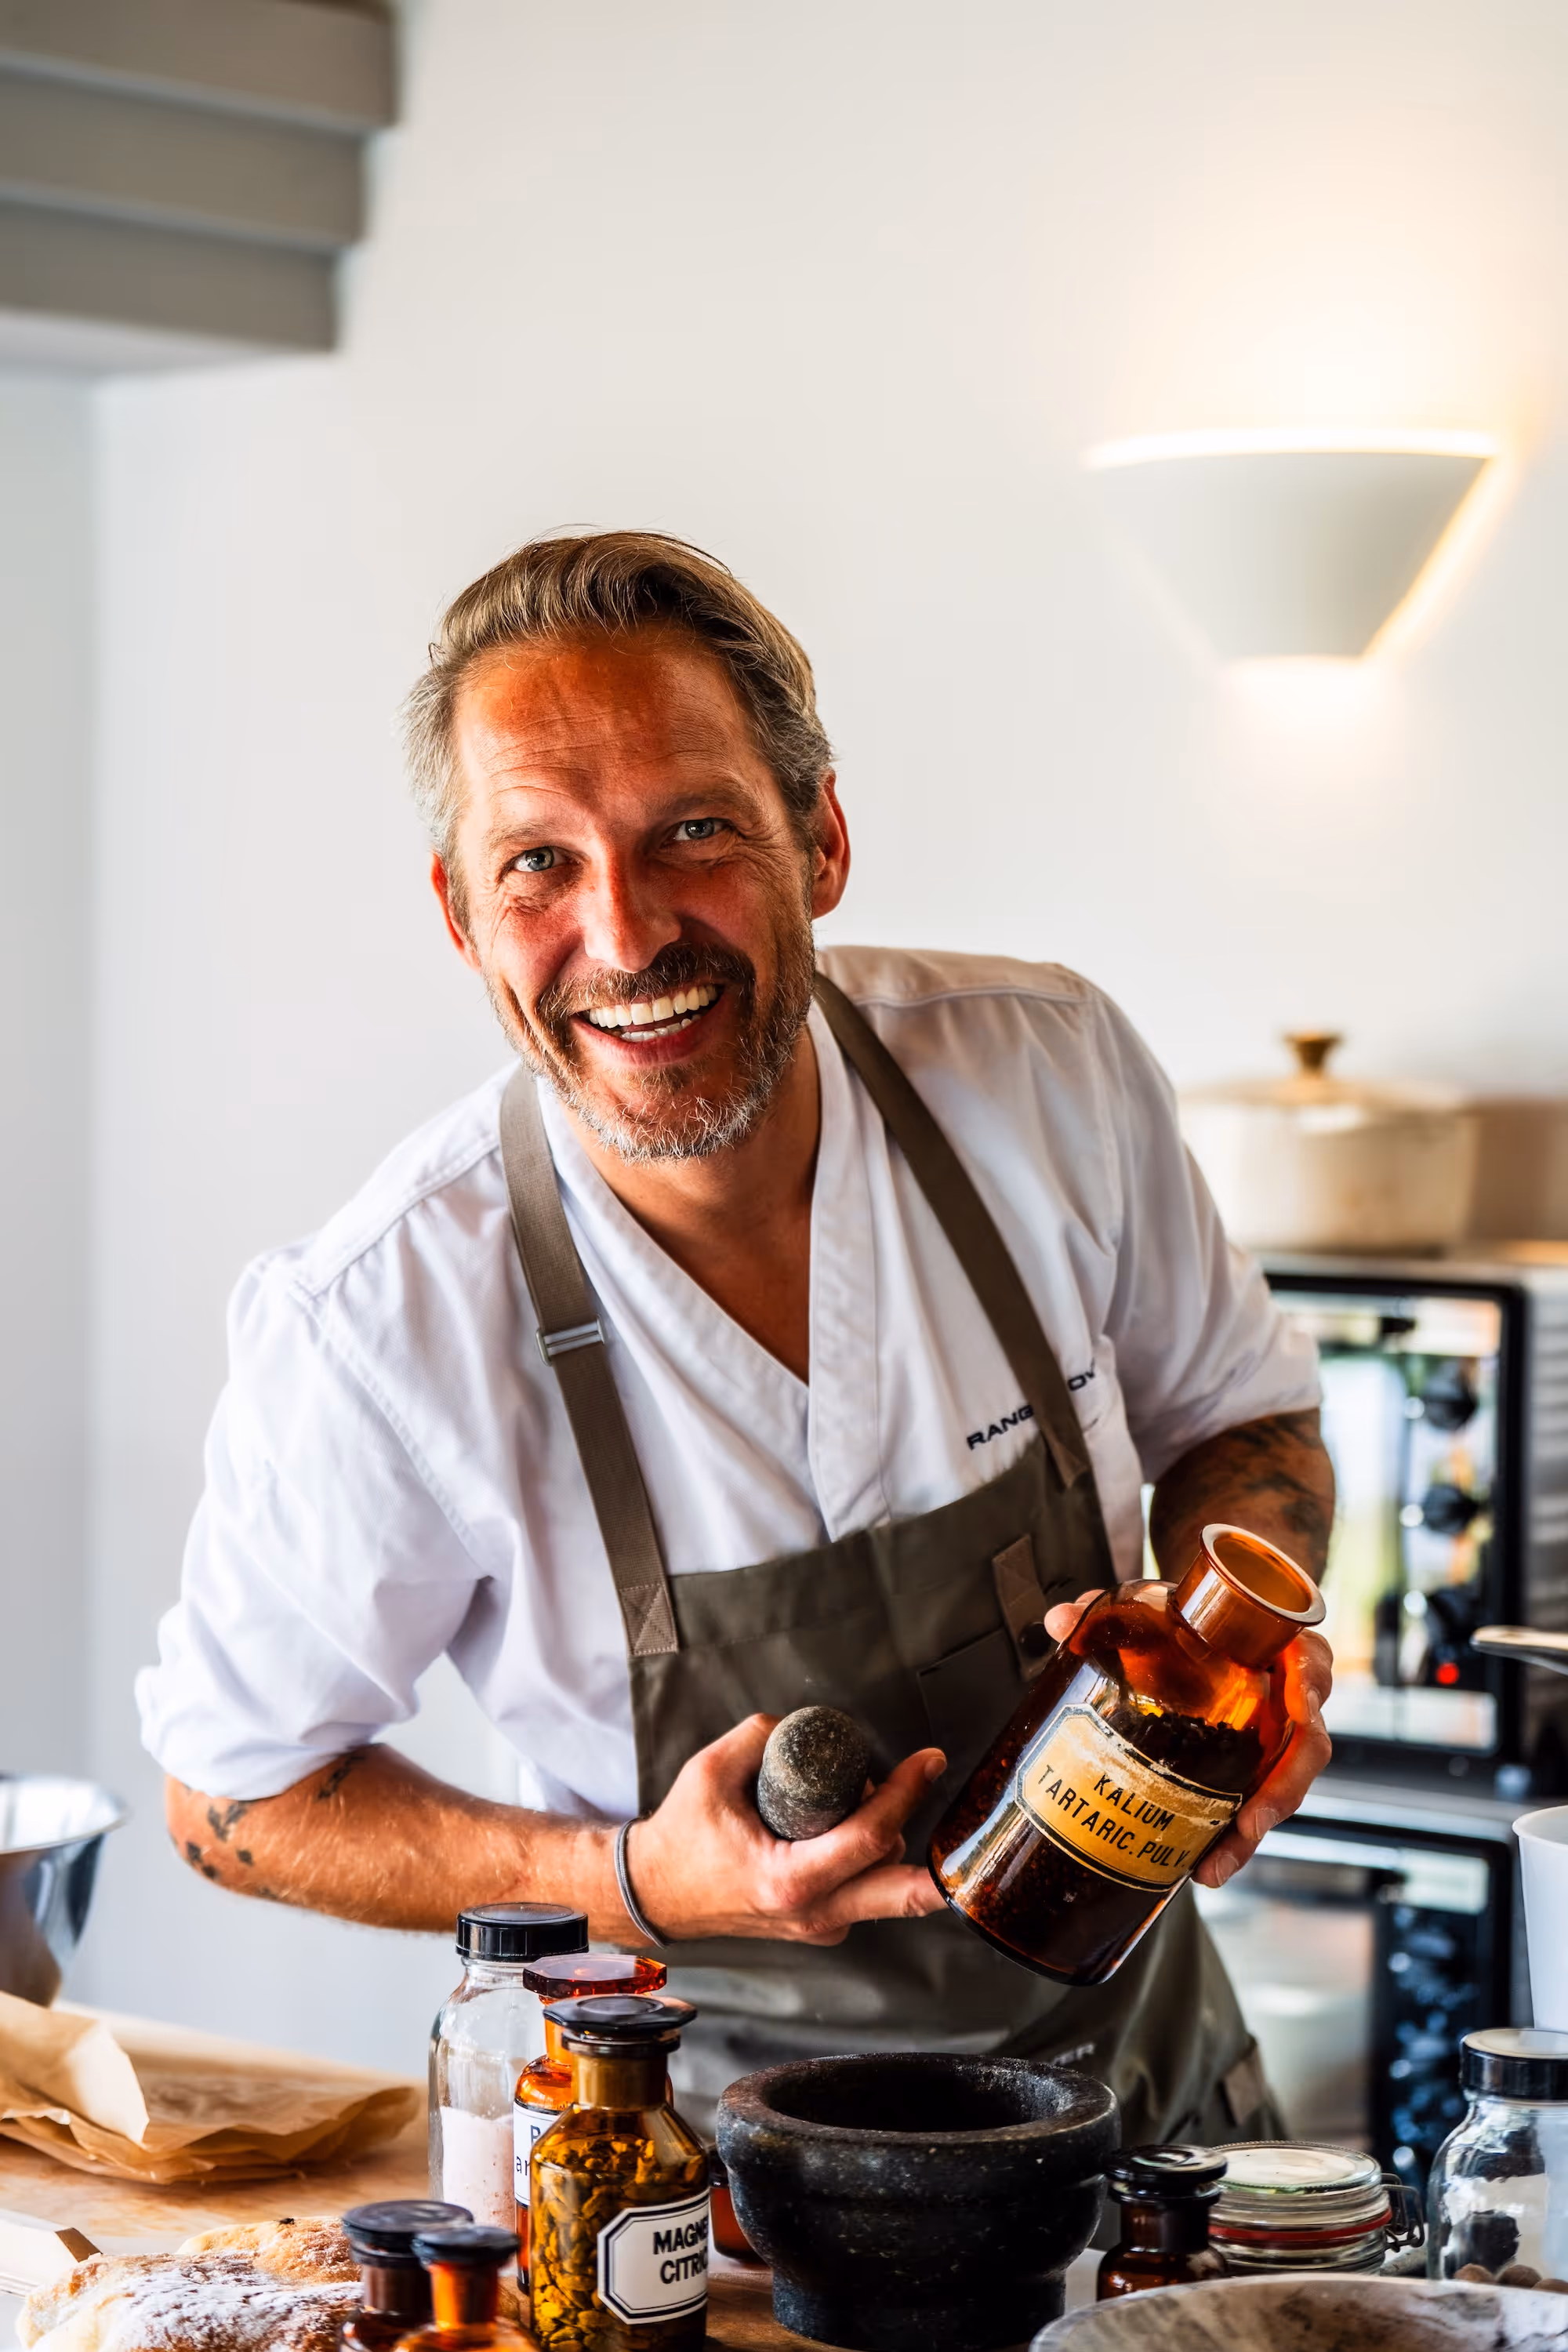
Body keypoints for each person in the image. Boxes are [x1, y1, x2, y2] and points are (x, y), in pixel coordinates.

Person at [139, 532, 1334, 2140]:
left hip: (1145, 2140)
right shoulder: (380, 1319)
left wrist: (1254, 1643)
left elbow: (1238, 1427)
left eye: (692, 831)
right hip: (682, 2206)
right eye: (538, 864)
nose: (625, 937)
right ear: (461, 917)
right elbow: (232, 1799)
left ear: (820, 840)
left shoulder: (1044, 1081)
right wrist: (629, 1878)